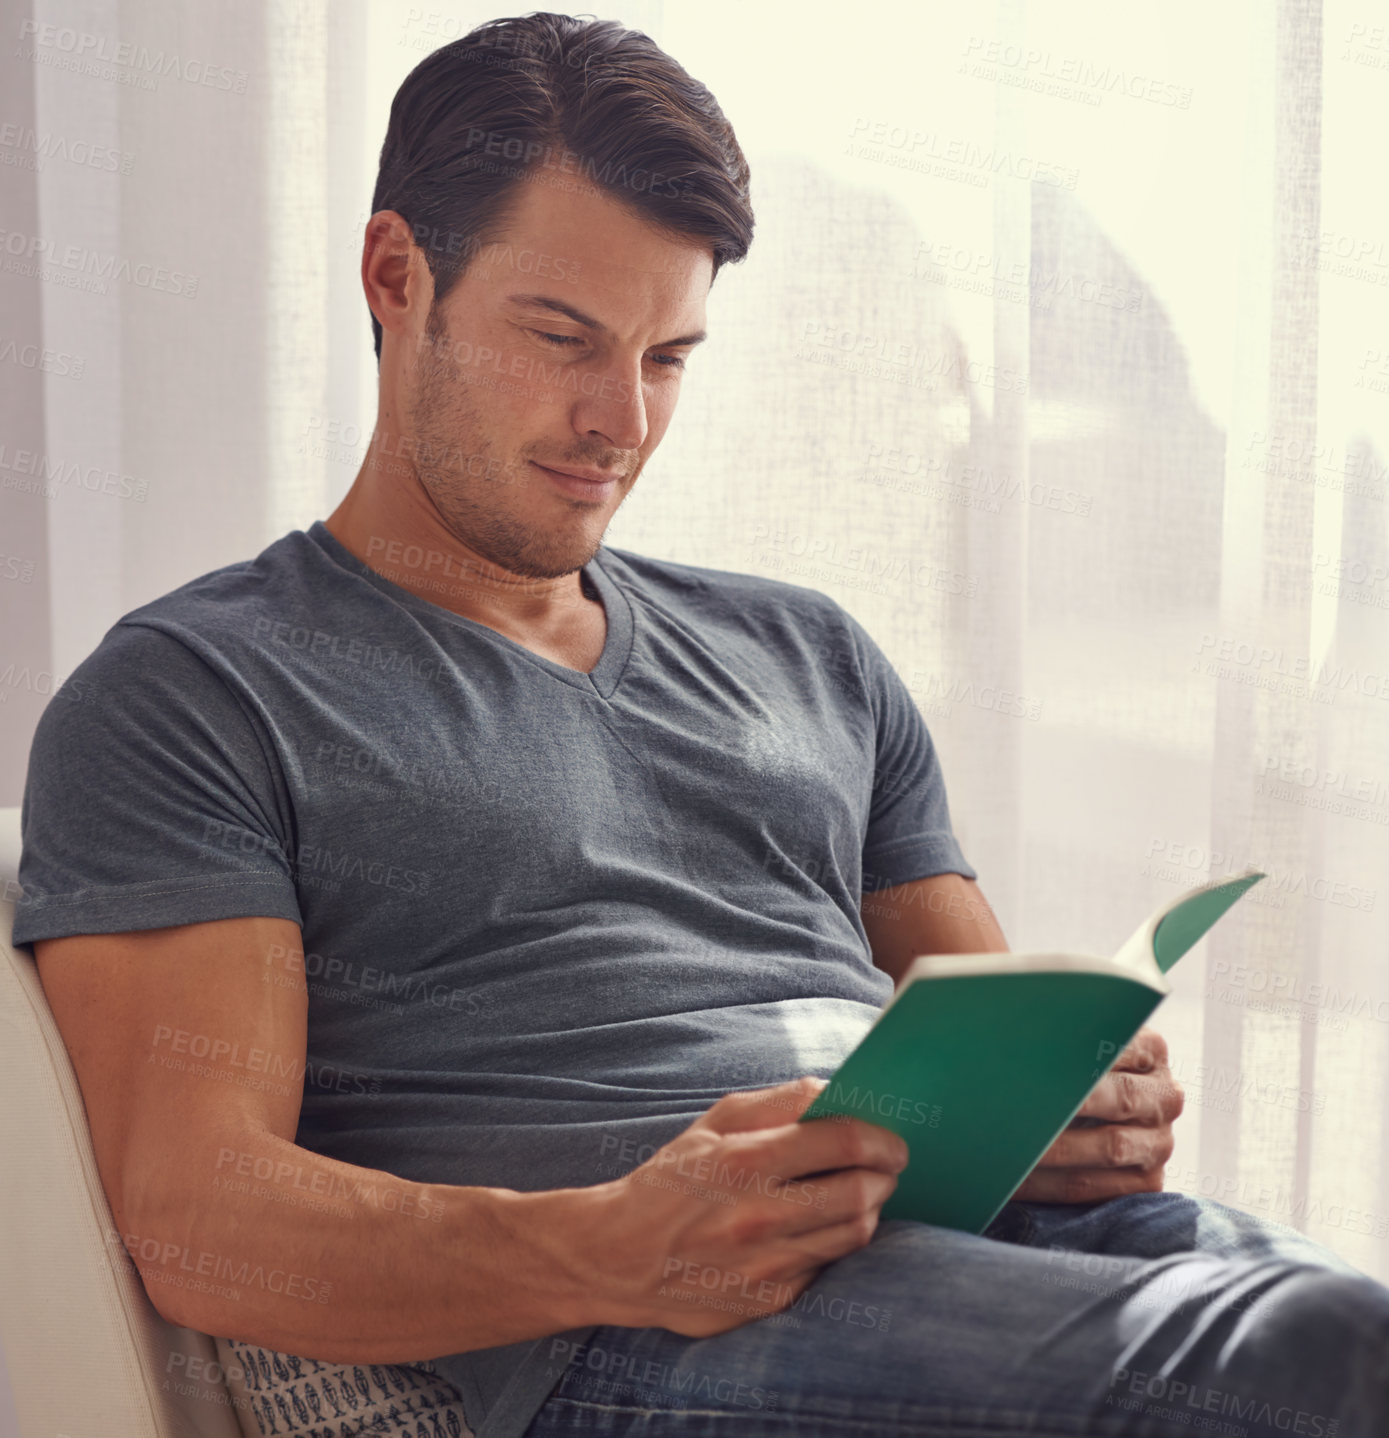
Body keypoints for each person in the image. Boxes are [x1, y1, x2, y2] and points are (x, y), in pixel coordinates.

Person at [12, 13, 1389, 1438]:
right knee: (1318, 1354)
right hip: (629, 1335)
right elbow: (194, 1211)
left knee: (1341, 1333)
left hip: (978, 1269)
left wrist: (1079, 1114)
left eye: (667, 356)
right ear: (395, 276)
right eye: (561, 338)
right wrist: (612, 1241)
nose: (618, 418)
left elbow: (984, 1034)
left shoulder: (808, 652)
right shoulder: (195, 691)